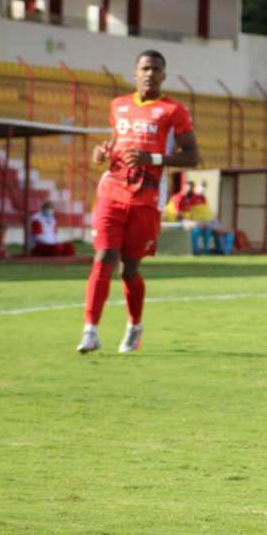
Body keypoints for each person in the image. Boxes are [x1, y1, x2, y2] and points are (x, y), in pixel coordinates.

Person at [77, 49, 199, 354]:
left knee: (129, 269)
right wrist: (101, 153)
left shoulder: (173, 111)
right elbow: (117, 144)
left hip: (147, 197)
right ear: (135, 73)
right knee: (104, 255)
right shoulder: (118, 105)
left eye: (156, 69)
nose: (150, 74)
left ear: (164, 75)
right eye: (145, 68)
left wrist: (152, 158)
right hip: (112, 190)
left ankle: (134, 326)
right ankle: (90, 331)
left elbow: (192, 156)